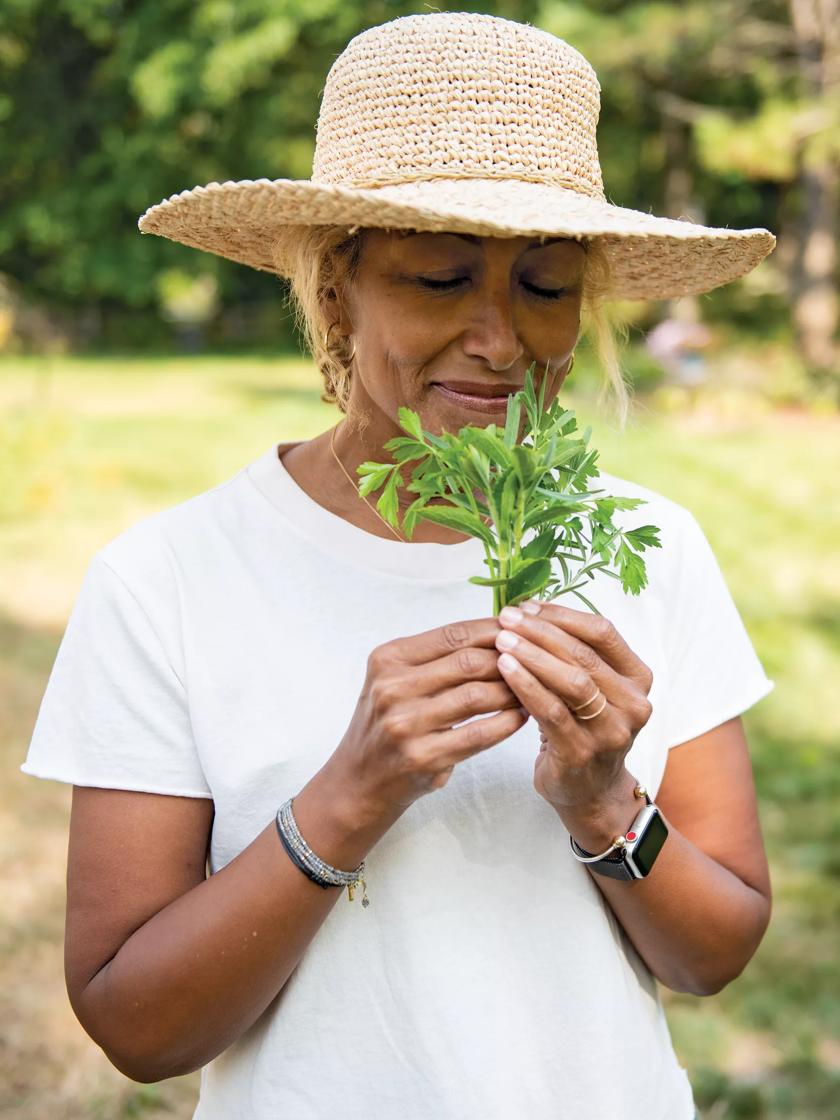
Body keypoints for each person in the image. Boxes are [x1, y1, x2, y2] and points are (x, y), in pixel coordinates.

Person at [21, 12, 777, 1120]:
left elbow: (717, 950)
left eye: (545, 285)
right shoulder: (169, 580)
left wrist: (604, 801)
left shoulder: (648, 549)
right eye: (440, 277)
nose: (502, 339)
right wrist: (347, 798)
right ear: (337, 288)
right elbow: (136, 1026)